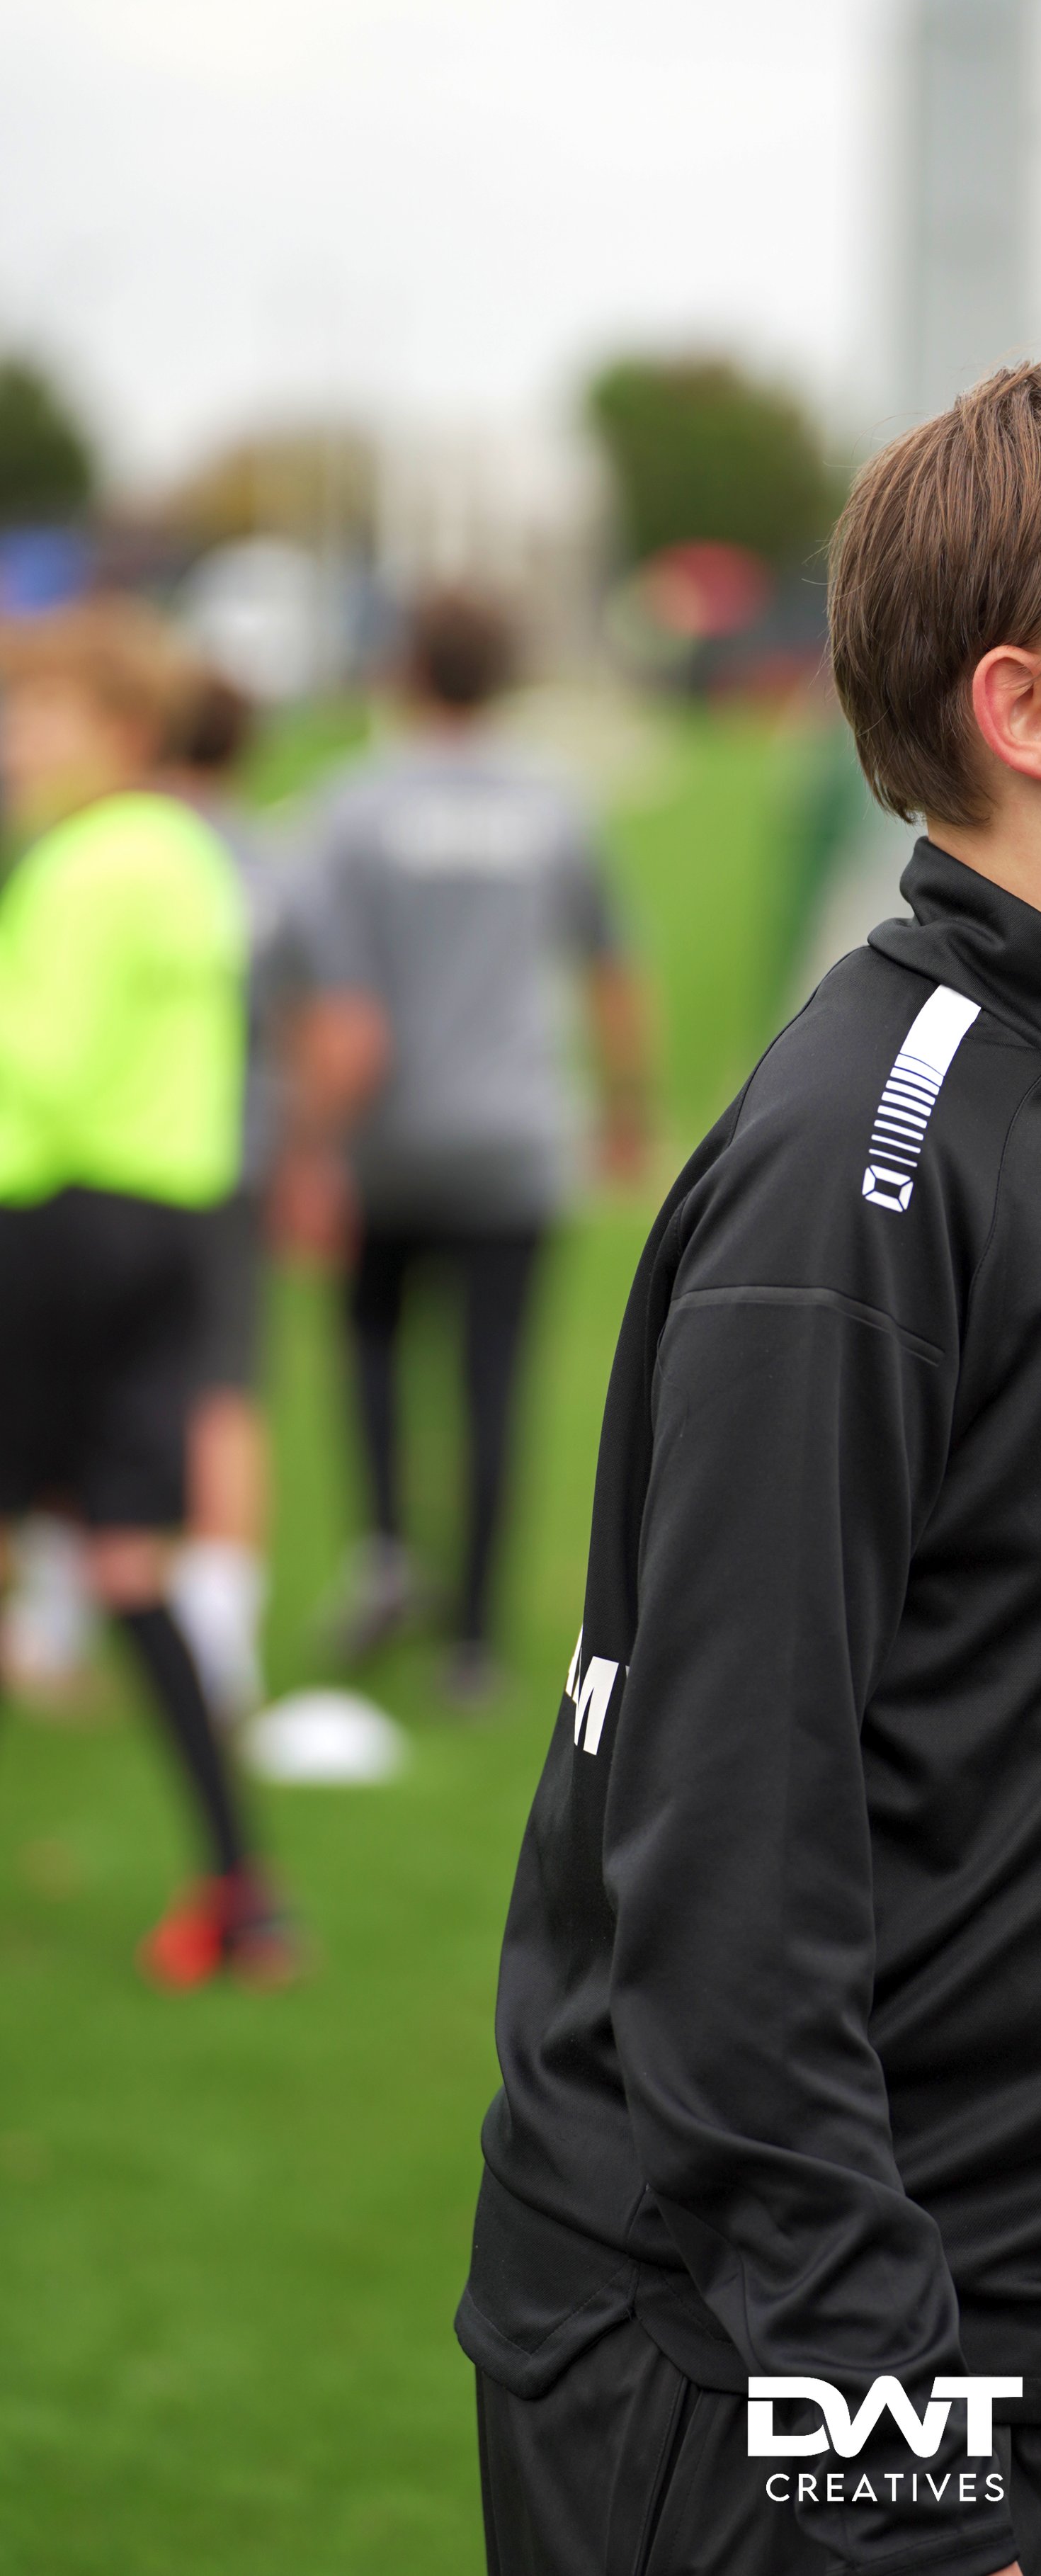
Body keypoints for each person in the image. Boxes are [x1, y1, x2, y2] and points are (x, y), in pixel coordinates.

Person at [458, 365, 1041, 2576]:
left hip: (1030, 2316)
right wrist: (895, 2456)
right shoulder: (872, 1157)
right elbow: (725, 1846)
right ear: (1031, 712)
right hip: (819, 2383)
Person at [0, 600, 296, 1987]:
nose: (14, 741)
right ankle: (243, 1893)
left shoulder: (82, 866)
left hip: (55, 1225)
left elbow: (37, 1072)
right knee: (128, 1562)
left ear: (117, 731)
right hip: (175, 1229)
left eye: (38, 715)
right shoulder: (193, 859)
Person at [283, 589, 649, 1706]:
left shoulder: (349, 809)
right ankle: (476, 1646)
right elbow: (613, 968)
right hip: (515, 1138)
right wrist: (628, 1108)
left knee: (374, 1352)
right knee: (496, 1380)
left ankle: (390, 1552)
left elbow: (343, 1021)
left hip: (392, 1141)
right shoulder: (554, 803)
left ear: (403, 670)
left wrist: (307, 1151)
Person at [159, 666, 295, 1720]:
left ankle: (53, 1624)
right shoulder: (268, 865)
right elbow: (309, 1023)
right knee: (223, 1388)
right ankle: (224, 1643)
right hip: (230, 1158)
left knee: (79, 1387)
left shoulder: (110, 852)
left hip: (111, 1159)